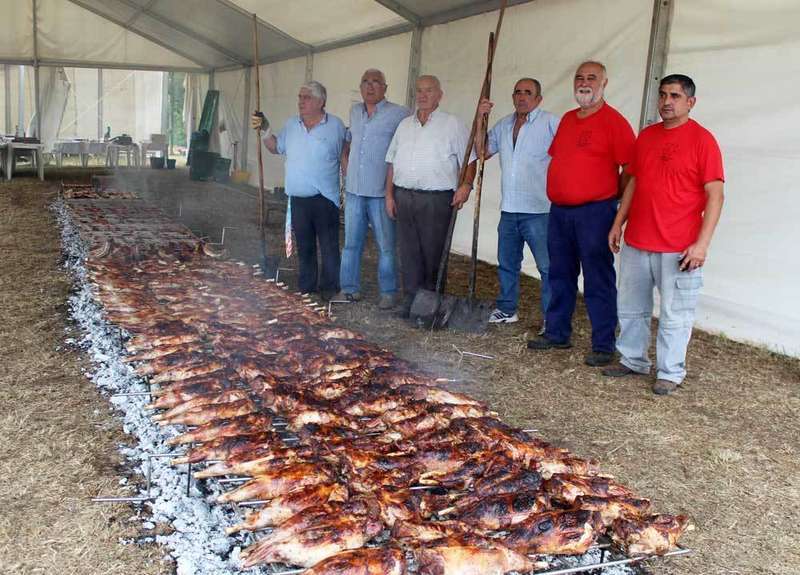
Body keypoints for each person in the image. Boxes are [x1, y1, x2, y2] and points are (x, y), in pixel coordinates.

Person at [603, 74, 724, 395]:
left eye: (674, 96)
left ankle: (670, 371)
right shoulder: (647, 137)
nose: (667, 102)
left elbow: (716, 194)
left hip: (679, 246)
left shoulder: (703, 140)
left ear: (690, 102)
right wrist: (618, 223)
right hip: (638, 241)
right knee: (631, 306)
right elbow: (634, 183)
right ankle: (632, 359)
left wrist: (702, 244)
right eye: (663, 95)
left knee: (675, 313)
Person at [527, 61, 635, 367]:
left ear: (604, 83)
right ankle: (557, 332)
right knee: (559, 273)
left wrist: (612, 203)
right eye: (579, 78)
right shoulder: (568, 119)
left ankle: (603, 344)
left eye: (592, 78)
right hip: (560, 211)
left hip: (595, 212)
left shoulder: (614, 122)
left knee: (598, 277)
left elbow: (630, 170)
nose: (584, 83)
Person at [384, 75, 476, 317]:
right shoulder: (404, 125)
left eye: (429, 91)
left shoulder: (452, 124)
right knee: (408, 252)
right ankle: (412, 301)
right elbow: (392, 162)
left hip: (436, 200)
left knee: (434, 253)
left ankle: (432, 304)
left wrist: (466, 185)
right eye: (419, 91)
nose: (423, 95)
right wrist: (389, 195)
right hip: (405, 196)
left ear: (439, 95)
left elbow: (470, 159)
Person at [476, 78, 560, 330]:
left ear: (538, 98)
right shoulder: (503, 125)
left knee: (547, 268)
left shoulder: (551, 123)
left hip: (539, 210)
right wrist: (481, 119)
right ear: (512, 97)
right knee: (508, 263)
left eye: (528, 92)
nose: (522, 97)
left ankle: (551, 318)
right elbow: (482, 152)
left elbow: (569, 155)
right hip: (509, 208)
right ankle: (507, 309)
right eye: (518, 92)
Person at [252, 80, 346, 301]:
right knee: (304, 245)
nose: (301, 101)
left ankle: (330, 289)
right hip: (297, 198)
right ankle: (307, 288)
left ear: (321, 102)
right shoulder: (292, 125)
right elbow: (276, 147)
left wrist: (350, 187)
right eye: (300, 97)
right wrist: (264, 129)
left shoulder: (336, 126)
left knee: (329, 246)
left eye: (306, 97)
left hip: (325, 198)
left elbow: (345, 153)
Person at [338, 69, 411, 309]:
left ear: (385, 88)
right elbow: (348, 142)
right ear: (360, 87)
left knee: (387, 247)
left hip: (381, 194)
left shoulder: (399, 114)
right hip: (354, 192)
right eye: (366, 82)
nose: (370, 87)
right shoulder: (354, 111)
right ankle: (349, 288)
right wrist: (346, 167)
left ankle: (388, 293)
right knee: (351, 244)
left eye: (376, 82)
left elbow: (409, 145)